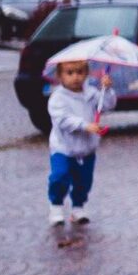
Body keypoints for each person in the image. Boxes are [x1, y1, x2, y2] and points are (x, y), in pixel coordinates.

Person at [45, 54, 113, 243]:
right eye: (70, 73)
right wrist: (85, 125)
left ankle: (78, 206)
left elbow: (107, 105)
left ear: (86, 73)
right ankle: (56, 205)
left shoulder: (91, 94)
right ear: (60, 75)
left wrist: (107, 89)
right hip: (63, 147)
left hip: (86, 147)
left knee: (84, 179)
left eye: (80, 72)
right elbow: (62, 120)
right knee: (60, 175)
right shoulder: (57, 98)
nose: (75, 77)